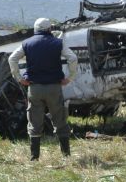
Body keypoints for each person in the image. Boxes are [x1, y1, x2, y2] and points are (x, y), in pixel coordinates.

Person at [9, 18, 79, 161]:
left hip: (34, 88)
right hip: (54, 87)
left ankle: (34, 157)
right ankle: (66, 156)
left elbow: (12, 59)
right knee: (60, 119)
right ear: (49, 29)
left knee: (34, 122)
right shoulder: (58, 43)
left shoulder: (27, 43)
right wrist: (70, 77)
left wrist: (19, 78)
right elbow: (72, 58)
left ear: (35, 29)